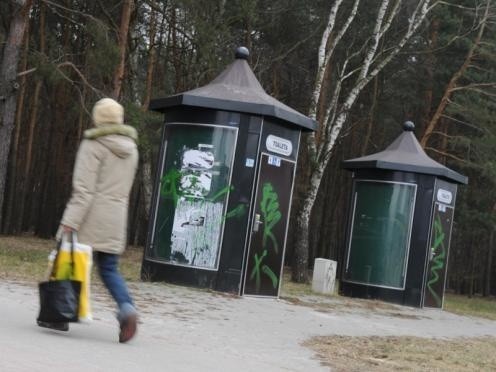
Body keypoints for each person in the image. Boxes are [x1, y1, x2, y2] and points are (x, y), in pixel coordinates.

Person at [38, 98, 139, 343]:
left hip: (89, 216)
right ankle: (127, 308)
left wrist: (69, 222)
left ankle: (59, 315)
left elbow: (84, 190)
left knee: (68, 263)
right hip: (116, 216)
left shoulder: (93, 145)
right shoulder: (131, 148)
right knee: (109, 268)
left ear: (98, 118)